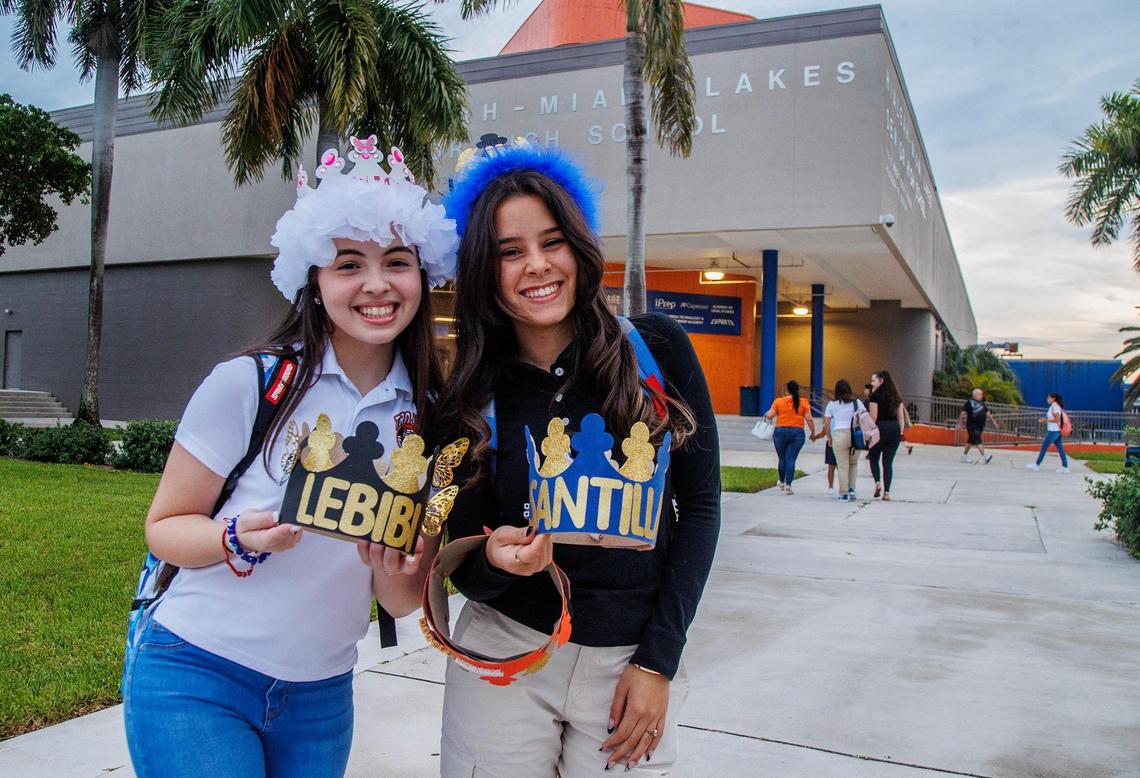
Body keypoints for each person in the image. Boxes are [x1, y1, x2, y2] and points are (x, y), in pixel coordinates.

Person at [121, 142, 459, 777]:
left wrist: (398, 564)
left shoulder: (437, 421)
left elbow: (400, 600)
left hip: (321, 695)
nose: (377, 284)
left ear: (424, 273)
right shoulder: (250, 384)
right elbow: (164, 529)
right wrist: (235, 537)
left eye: (397, 262)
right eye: (348, 264)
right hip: (196, 670)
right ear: (315, 278)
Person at [434, 141, 721, 776]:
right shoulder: (470, 391)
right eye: (510, 252)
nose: (536, 266)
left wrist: (658, 662)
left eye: (552, 241)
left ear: (580, 246)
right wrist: (494, 557)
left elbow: (699, 509)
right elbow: (462, 562)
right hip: (505, 657)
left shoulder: (657, 349)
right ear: (484, 268)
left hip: (627, 662)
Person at [763, 380, 817, 494]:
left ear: (786, 390)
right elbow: (809, 419)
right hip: (797, 433)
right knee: (791, 458)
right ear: (797, 390)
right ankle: (789, 485)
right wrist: (813, 432)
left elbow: (770, 415)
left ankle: (782, 482)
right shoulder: (803, 402)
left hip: (780, 432)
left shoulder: (778, 401)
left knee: (782, 458)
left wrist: (767, 413)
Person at [867, 370, 906, 500]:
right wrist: (900, 432)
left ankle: (878, 483)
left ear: (881, 381)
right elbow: (901, 418)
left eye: (874, 381)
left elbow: (874, 417)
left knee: (873, 457)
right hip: (894, 429)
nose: (872, 384)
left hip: (880, 429)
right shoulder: (896, 396)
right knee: (888, 462)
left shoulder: (875, 396)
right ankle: (887, 493)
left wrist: (868, 432)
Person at [824, 379, 864, 501]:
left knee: (842, 465)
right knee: (853, 463)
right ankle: (852, 489)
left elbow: (827, 423)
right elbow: (864, 417)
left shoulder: (832, 405)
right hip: (855, 435)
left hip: (839, 435)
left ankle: (844, 493)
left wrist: (829, 437)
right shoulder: (857, 403)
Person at [1027, 391, 1070, 473]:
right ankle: (1065, 467)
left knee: (1044, 447)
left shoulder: (1055, 407)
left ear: (1053, 398)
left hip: (1054, 431)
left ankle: (1037, 465)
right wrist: (1046, 420)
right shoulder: (1053, 406)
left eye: (1048, 398)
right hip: (1055, 431)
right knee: (1060, 448)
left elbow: (1057, 419)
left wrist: (1045, 420)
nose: (1047, 399)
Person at [957, 388, 1001, 464]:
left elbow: (988, 413)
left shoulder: (982, 403)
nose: (981, 396)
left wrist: (994, 422)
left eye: (981, 394)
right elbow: (963, 413)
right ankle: (985, 457)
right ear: (974, 395)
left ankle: (964, 456)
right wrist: (959, 424)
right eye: (979, 394)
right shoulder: (969, 403)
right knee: (977, 440)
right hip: (972, 426)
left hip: (979, 426)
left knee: (970, 441)